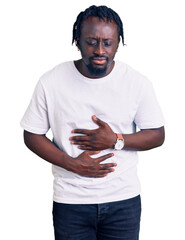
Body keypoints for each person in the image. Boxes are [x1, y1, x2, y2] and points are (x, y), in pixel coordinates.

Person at [21, 5, 165, 240]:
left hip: (123, 200)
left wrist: (116, 140)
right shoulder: (51, 81)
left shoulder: (137, 82)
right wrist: (71, 163)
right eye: (91, 42)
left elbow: (157, 134)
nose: (100, 50)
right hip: (71, 201)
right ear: (77, 42)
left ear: (118, 43)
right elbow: (32, 134)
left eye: (108, 43)